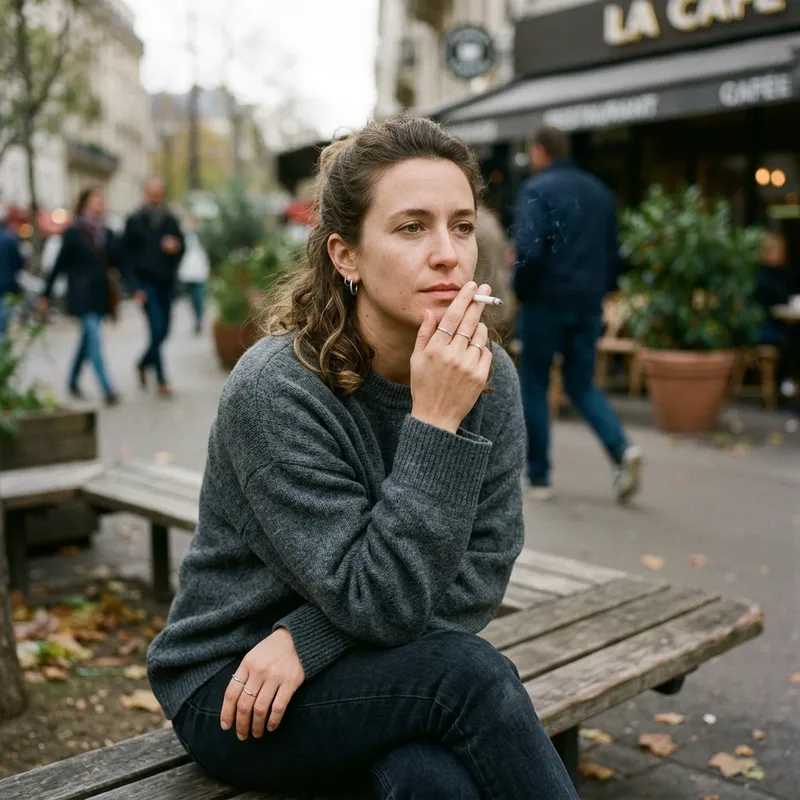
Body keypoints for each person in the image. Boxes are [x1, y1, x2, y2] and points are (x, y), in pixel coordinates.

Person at [146, 117, 578, 800]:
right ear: (346, 256)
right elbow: (376, 601)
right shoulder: (278, 390)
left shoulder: (485, 374)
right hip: (238, 684)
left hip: (371, 663)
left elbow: (480, 575)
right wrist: (434, 422)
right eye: (412, 228)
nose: (448, 255)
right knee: (471, 677)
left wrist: (310, 639)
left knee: (429, 781)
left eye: (462, 226)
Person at [513, 126, 642, 503]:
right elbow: (613, 255)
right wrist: (600, 292)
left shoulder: (537, 189)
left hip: (544, 302)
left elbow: (530, 250)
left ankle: (539, 476)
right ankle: (621, 449)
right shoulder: (599, 192)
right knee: (581, 384)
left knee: (535, 383)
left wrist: (521, 290)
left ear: (541, 151)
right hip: (587, 303)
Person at [39, 187, 121, 406]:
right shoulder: (73, 232)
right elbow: (59, 264)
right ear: (85, 203)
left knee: (86, 340)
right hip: (81, 294)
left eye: (101, 201)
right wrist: (46, 294)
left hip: (100, 294)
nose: (99, 205)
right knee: (93, 337)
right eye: (95, 201)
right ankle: (107, 388)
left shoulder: (107, 232)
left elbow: (118, 260)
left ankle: (73, 380)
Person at [122, 177, 184, 397]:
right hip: (145, 285)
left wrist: (176, 248)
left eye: (159, 191)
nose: (156, 195)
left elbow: (182, 246)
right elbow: (125, 257)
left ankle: (143, 362)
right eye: (152, 191)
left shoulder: (170, 219)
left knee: (164, 330)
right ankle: (161, 379)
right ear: (145, 192)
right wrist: (134, 287)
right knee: (156, 329)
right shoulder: (134, 220)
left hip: (166, 284)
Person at [178, 217, 210, 335]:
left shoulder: (203, 238)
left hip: (199, 272)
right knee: (192, 299)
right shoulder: (185, 237)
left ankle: (199, 319)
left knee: (199, 298)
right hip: (187, 273)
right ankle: (196, 319)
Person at [0, 223, 23, 340]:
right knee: (3, 316)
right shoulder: (10, 239)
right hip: (6, 283)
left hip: (5, 282)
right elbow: (19, 262)